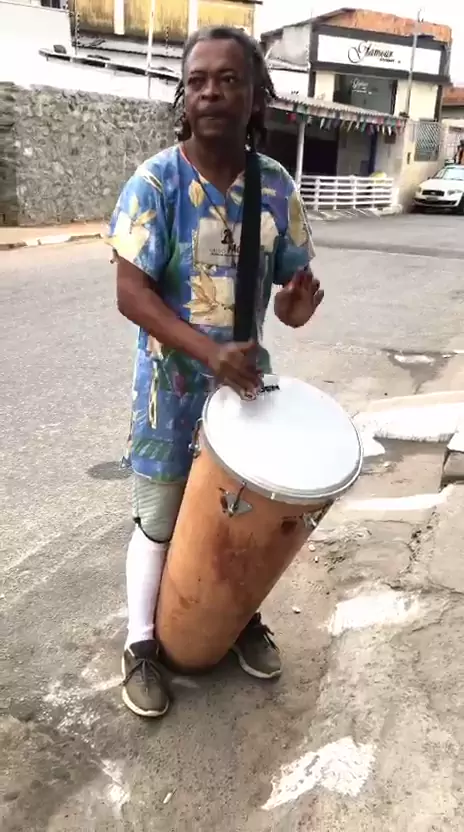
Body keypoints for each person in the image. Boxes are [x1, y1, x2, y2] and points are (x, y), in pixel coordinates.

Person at [107, 25, 324, 719]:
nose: (210, 92)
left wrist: (293, 309)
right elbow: (131, 294)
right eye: (197, 80)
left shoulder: (275, 187)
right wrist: (208, 355)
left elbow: (290, 296)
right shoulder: (156, 183)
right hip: (167, 396)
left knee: (243, 525)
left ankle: (236, 622)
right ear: (185, 96)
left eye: (228, 80)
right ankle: (142, 645)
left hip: (245, 396)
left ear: (255, 96)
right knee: (160, 521)